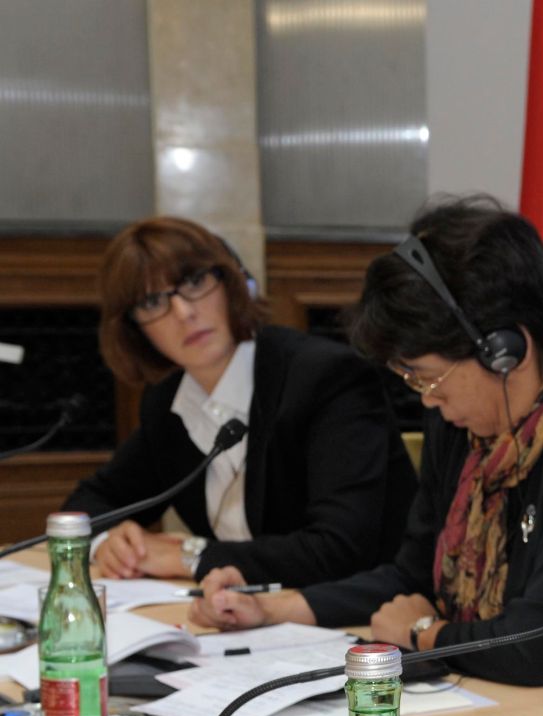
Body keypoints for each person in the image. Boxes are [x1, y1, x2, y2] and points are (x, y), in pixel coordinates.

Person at [192, 197, 543, 714]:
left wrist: (425, 632)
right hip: (496, 707)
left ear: (506, 350)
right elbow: (412, 577)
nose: (426, 397)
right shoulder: (463, 425)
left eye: (429, 375)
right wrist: (272, 608)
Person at [67, 216, 416, 586]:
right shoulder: (169, 402)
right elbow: (88, 502)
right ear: (135, 330)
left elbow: (340, 549)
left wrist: (189, 557)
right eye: (153, 301)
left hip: (359, 618)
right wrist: (108, 542)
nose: (184, 313)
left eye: (195, 282)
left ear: (231, 284)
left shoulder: (324, 378)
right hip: (247, 617)